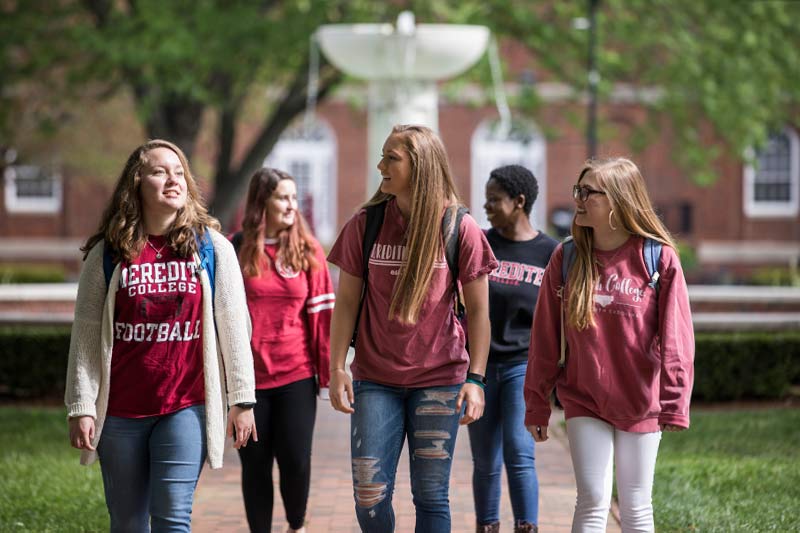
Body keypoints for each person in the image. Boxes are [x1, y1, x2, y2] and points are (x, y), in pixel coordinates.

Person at [65, 139, 257, 532]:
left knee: (173, 519)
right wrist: (82, 404)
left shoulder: (213, 248)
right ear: (137, 184)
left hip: (185, 405)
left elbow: (235, 327)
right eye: (159, 171)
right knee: (129, 523)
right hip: (120, 411)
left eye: (179, 172)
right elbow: (85, 336)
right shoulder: (109, 252)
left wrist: (242, 399)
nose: (173, 180)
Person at [327, 124, 498, 532]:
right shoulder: (365, 224)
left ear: (419, 166)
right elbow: (346, 301)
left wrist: (476, 379)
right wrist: (336, 367)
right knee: (369, 494)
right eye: (383, 155)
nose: (380, 165)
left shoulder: (460, 229)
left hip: (440, 378)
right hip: (375, 380)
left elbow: (478, 313)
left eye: (392, 158)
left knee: (431, 495)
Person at [524, 157, 694, 532]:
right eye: (577, 191)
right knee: (593, 500)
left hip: (640, 400)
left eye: (589, 193)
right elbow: (544, 339)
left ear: (618, 200)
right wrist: (537, 403)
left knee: (635, 506)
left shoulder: (657, 258)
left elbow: (676, 336)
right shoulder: (567, 257)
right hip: (585, 397)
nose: (578, 199)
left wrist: (675, 400)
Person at [232, 167, 334, 533]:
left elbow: (322, 317)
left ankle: (296, 526)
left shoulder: (308, 249)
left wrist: (328, 375)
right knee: (255, 465)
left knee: (295, 460)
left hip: (296, 374)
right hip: (248, 381)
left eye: (294, 197)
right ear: (263, 202)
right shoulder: (236, 248)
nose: (293, 205)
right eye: (283, 198)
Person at [469, 165, 558, 533]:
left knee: (519, 453)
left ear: (519, 202)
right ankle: (487, 526)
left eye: (495, 200)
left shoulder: (550, 252)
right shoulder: (480, 244)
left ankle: (527, 527)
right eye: (486, 199)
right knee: (485, 461)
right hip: (482, 367)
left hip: (524, 366)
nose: (486, 206)